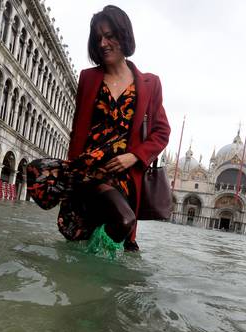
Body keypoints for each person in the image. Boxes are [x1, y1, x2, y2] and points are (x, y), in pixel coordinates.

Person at [27, 5, 170, 254]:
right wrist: (73, 169)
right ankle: (93, 261)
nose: (103, 43)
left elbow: (161, 131)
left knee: (121, 236)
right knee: (124, 220)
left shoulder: (150, 83)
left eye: (110, 35)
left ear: (124, 36)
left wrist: (134, 156)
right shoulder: (88, 78)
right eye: (98, 38)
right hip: (90, 170)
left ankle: (92, 276)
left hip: (125, 174)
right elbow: (79, 128)